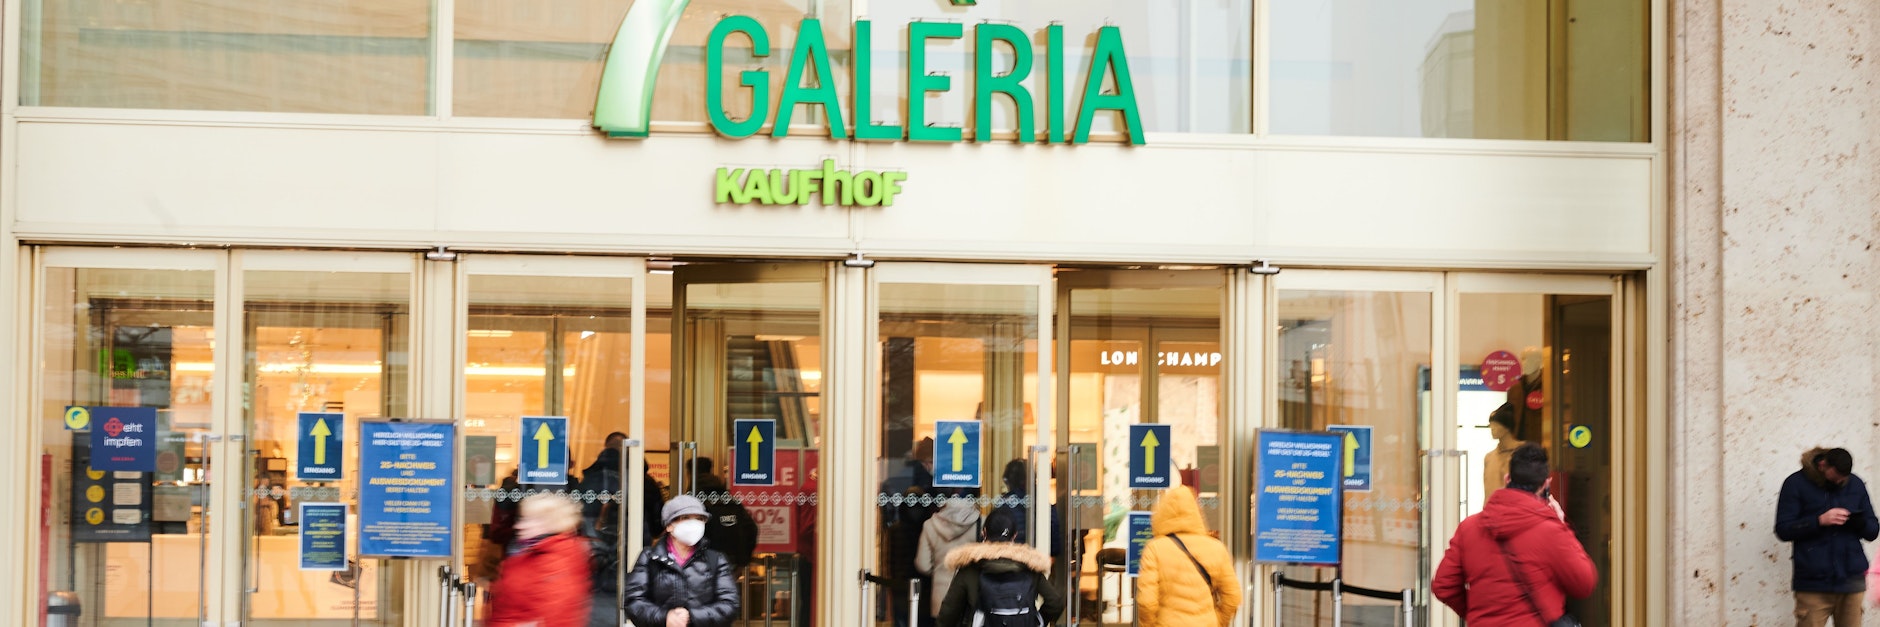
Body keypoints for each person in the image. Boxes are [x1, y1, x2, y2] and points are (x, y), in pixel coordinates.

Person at [1434, 442, 1596, 626]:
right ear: (1546, 483)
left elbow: (1443, 585)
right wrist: (1562, 524)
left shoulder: (1469, 528)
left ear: (1507, 478)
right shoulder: (1551, 531)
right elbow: (1584, 584)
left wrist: (1477, 614)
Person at [1776, 447, 1879, 625]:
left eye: (1845, 476)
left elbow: (1872, 531)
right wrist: (1819, 521)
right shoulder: (1795, 484)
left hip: (1851, 582)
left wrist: (1859, 522)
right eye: (1837, 474)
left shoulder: (1855, 484)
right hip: (1813, 585)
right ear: (1823, 465)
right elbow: (1783, 529)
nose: (1841, 480)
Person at [623, 495, 740, 627]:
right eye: (685, 518)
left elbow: (730, 605)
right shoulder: (650, 558)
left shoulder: (716, 560)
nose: (694, 523)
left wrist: (691, 617)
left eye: (699, 519)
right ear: (669, 526)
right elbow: (633, 601)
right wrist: (665, 617)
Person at [934, 509, 1064, 627]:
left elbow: (948, 613)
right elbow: (1055, 603)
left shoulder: (970, 568)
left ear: (984, 533)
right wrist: (1035, 621)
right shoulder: (1029, 567)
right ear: (1014, 536)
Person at [1135, 485, 1240, 627]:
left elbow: (1147, 602)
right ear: (1195, 512)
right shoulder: (1217, 548)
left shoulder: (1155, 549)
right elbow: (1233, 597)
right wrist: (1219, 621)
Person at [486, 493, 593, 627]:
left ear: (549, 524)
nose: (519, 526)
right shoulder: (528, 555)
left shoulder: (556, 562)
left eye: (528, 520)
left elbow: (553, 618)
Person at [916, 494, 983, 620]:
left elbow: (923, 565)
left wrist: (939, 570)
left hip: (941, 595)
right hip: (970, 594)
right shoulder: (981, 522)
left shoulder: (930, 525)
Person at [689, 457, 759, 569]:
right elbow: (751, 529)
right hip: (730, 562)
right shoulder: (730, 501)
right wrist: (742, 560)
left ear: (689, 473)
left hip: (701, 565)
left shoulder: (693, 502)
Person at [1483, 403, 1527, 501]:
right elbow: (1487, 492)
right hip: (1492, 512)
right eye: (1491, 426)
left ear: (1506, 427)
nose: (1492, 429)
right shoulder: (1489, 457)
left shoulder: (1524, 452)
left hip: (1515, 512)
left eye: (1496, 425)